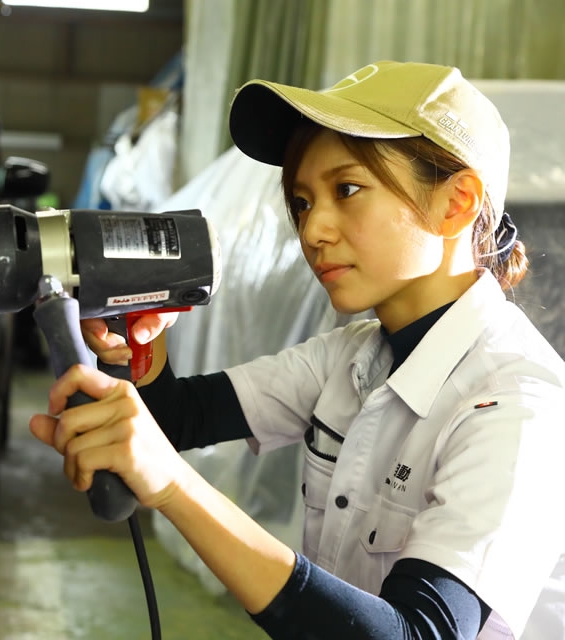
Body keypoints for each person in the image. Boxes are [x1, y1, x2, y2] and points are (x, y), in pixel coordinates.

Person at [30, 60, 565, 639]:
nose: (313, 231)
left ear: (457, 203)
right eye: (304, 202)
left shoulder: (517, 406)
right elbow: (176, 420)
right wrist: (142, 349)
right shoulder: (354, 358)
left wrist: (174, 486)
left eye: (348, 189)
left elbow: (414, 633)